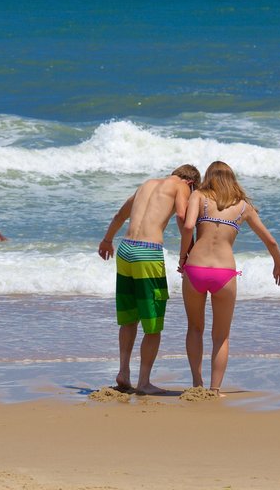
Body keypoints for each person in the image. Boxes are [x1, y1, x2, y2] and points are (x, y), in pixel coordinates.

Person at [177, 161, 280, 397]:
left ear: (209, 177)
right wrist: (278, 264)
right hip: (224, 274)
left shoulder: (199, 196)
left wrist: (182, 258)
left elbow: (187, 227)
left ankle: (197, 385)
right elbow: (271, 241)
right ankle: (215, 390)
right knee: (221, 336)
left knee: (195, 329)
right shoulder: (243, 207)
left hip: (195, 268)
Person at [97, 164, 200, 395]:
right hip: (148, 252)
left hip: (125, 249)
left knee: (129, 318)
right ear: (191, 183)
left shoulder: (146, 184)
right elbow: (184, 219)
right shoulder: (182, 186)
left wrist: (106, 240)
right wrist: (185, 256)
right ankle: (144, 382)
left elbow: (120, 215)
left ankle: (123, 372)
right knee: (152, 322)